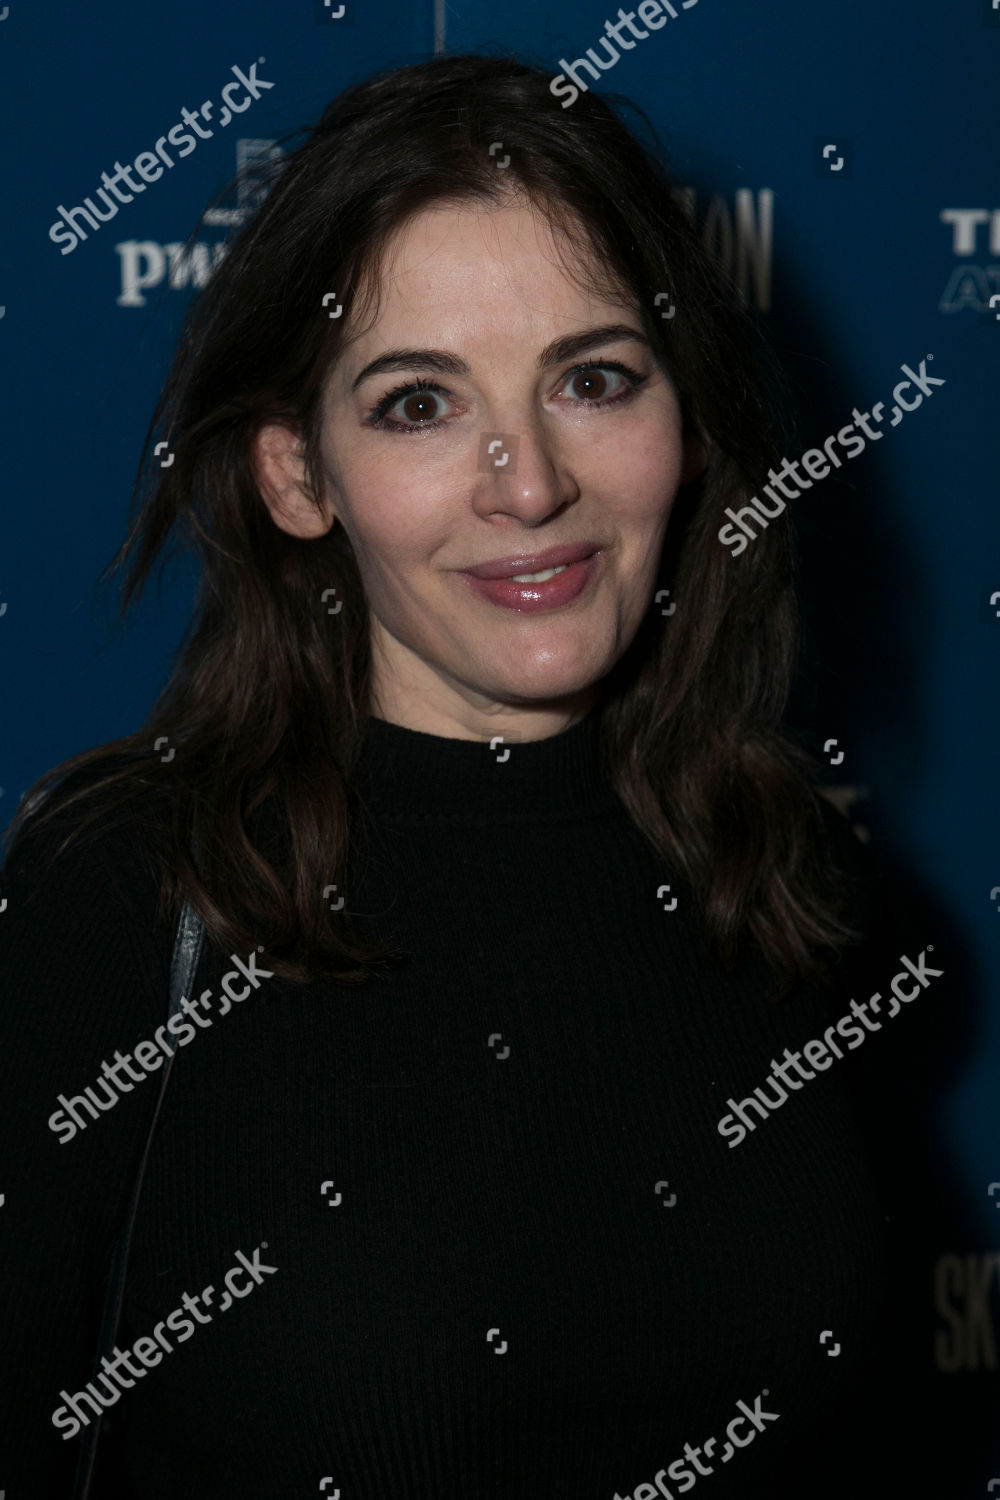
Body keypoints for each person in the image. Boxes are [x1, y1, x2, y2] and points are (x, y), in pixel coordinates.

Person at [0, 49, 935, 1498]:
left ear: (684, 428)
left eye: (595, 378)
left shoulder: (786, 871)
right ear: (295, 476)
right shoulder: (123, 898)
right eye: (419, 404)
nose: (529, 480)